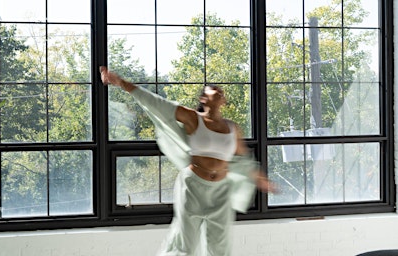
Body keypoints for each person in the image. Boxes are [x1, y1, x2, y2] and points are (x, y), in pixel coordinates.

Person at [100, 66, 276, 256]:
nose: (218, 91)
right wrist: (121, 82)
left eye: (221, 91)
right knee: (185, 245)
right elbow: (156, 103)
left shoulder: (232, 128)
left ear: (223, 101)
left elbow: (245, 159)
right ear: (203, 98)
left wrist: (261, 179)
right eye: (212, 89)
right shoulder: (193, 118)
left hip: (220, 191)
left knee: (219, 249)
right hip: (193, 188)